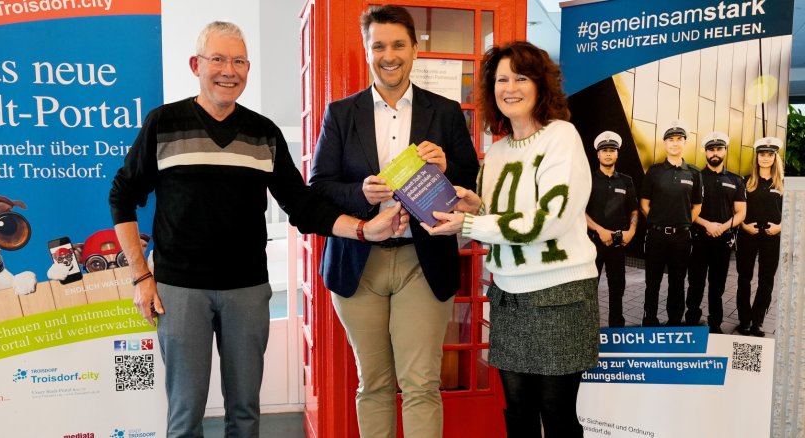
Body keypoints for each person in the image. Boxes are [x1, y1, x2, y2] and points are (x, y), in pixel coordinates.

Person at [108, 21, 408, 438]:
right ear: (196, 65)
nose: (228, 70)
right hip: (180, 289)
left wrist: (363, 229)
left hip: (247, 290)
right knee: (185, 412)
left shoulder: (263, 132)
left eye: (238, 61)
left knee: (246, 412)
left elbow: (302, 205)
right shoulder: (164, 123)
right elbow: (122, 196)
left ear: (247, 69)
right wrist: (142, 276)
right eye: (217, 59)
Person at [308, 5, 479, 437]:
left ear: (414, 50)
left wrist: (447, 168)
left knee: (421, 384)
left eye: (398, 44)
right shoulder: (341, 114)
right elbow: (319, 187)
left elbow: (470, 178)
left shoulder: (443, 111)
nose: (389, 54)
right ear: (367, 51)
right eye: (378, 45)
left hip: (422, 262)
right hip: (358, 262)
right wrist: (360, 194)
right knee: (374, 384)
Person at [423, 41, 598, 438]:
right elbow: (500, 221)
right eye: (501, 79)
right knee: (517, 411)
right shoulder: (497, 152)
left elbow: (547, 220)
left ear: (541, 86)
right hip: (508, 296)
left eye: (521, 77)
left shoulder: (562, 136)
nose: (510, 87)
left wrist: (469, 225)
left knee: (556, 415)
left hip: (561, 294)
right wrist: (475, 206)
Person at [639, 120, 703, 327]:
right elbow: (644, 203)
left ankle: (674, 320)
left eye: (679, 140)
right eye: (671, 140)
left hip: (682, 237)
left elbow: (697, 207)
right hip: (656, 235)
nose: (675, 143)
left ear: (685, 143)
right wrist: (658, 222)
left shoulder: (694, 173)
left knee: (677, 281)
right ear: (665, 144)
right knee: (653, 282)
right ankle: (650, 319)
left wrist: (682, 223)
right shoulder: (655, 171)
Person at [685, 132, 746, 334]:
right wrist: (707, 225)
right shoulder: (696, 177)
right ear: (706, 152)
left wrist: (723, 227)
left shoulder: (735, 180)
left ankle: (715, 324)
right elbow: (688, 210)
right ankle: (692, 320)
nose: (715, 153)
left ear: (725, 151)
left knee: (717, 286)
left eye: (719, 149)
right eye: (711, 149)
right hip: (699, 239)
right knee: (695, 283)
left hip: (723, 241)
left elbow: (741, 212)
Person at [585, 131, 637, 328]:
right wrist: (599, 230)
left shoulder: (626, 181)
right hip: (592, 243)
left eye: (612, 150)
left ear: (617, 154)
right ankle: (589, 328)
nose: (608, 154)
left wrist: (631, 231)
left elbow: (633, 209)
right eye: (604, 150)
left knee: (618, 288)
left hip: (617, 243)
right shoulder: (588, 180)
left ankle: (617, 327)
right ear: (598, 154)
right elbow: (579, 210)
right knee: (590, 288)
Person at [735, 137, 784, 337]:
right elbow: (736, 209)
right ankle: (744, 321)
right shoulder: (745, 181)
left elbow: (795, 212)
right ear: (756, 157)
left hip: (772, 237)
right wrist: (744, 226)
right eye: (762, 154)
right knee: (744, 278)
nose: (765, 158)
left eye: (769, 155)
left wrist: (780, 227)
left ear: (775, 157)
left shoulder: (783, 183)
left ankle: (758, 321)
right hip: (748, 236)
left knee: (766, 280)